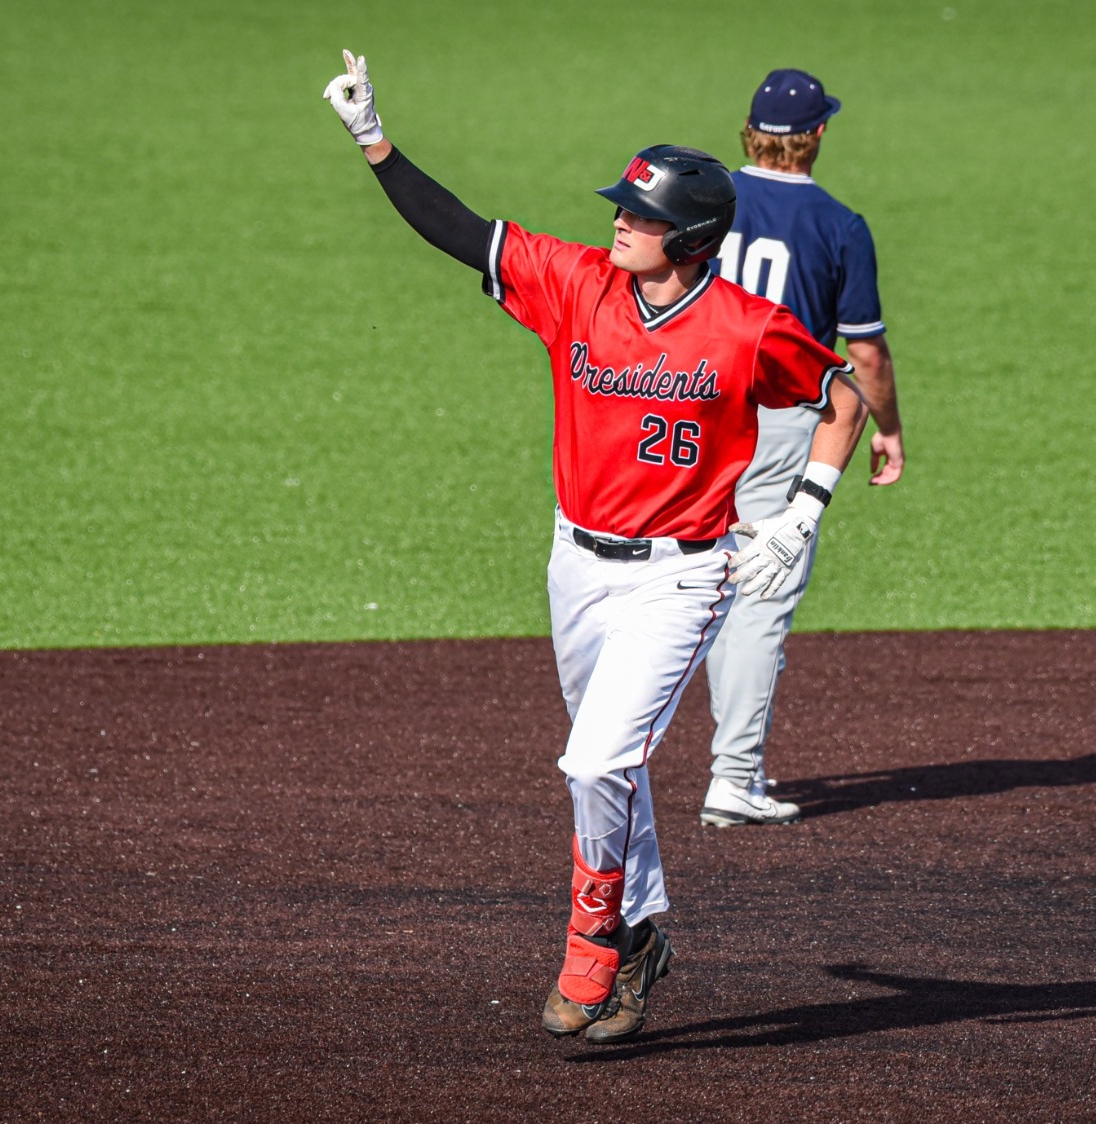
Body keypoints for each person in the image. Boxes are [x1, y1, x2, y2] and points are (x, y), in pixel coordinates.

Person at [322, 52, 868, 1044]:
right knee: (607, 769)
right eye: (622, 204)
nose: (619, 218)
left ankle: (589, 948)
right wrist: (373, 141)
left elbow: (841, 398)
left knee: (595, 756)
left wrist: (799, 512)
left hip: (682, 574)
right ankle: (643, 935)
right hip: (573, 565)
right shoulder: (573, 284)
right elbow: (460, 231)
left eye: (642, 212)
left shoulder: (744, 330)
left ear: (691, 237)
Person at [698, 68, 908, 827]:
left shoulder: (705, 197)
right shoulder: (837, 223)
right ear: (816, 134)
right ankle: (734, 774)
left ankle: (642, 759)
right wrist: (886, 427)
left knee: (706, 585)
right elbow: (867, 356)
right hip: (783, 424)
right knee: (761, 596)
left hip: (690, 410)